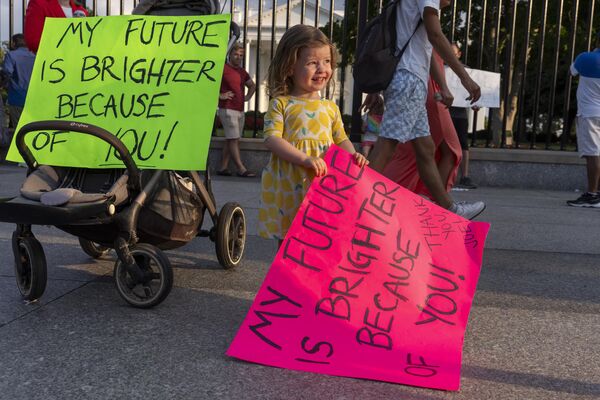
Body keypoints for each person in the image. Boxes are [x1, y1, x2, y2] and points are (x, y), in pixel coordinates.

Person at [366, 0, 485, 220]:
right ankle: (355, 205)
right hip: (409, 81)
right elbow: (436, 35)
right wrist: (465, 78)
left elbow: (426, 51)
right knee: (387, 146)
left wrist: (444, 87)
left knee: (425, 148)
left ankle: (448, 209)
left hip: (410, 81)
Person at [257, 25, 368, 243]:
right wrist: (304, 159)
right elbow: (272, 139)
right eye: (312, 62)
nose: (322, 68)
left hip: (322, 183)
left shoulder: (330, 108)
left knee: (320, 237)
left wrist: (353, 157)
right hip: (290, 183)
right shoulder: (281, 104)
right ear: (290, 67)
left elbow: (341, 139)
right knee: (288, 239)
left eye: (327, 61)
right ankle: (286, 276)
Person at [382, 49, 462, 196]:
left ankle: (439, 206)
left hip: (418, 81)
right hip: (421, 83)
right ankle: (362, 198)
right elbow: (433, 39)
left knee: (422, 150)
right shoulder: (425, 28)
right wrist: (462, 81)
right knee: (399, 150)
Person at [567, 33, 600, 208]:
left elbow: (572, 72)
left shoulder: (585, 58)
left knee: (593, 154)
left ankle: (592, 195)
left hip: (590, 113)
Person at [217, 42, 257, 177]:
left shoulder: (241, 71)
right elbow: (208, 86)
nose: (238, 57)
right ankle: (241, 168)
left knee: (232, 139)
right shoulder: (222, 68)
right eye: (236, 54)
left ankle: (223, 167)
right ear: (230, 54)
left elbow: (252, 85)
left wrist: (247, 97)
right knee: (233, 139)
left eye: (241, 55)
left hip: (239, 109)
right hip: (227, 109)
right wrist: (220, 96)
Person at [449, 43, 477, 190]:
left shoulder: (467, 71)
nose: (452, 55)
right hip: (444, 112)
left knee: (463, 144)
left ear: (459, 54)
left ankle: (464, 176)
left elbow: (473, 92)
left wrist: (477, 103)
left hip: (460, 114)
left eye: (454, 52)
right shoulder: (441, 69)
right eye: (449, 52)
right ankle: (446, 177)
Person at [1, 34, 36, 130]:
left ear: (14, 43)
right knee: (33, 128)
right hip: (34, 98)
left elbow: (6, 72)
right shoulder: (35, 55)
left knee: (19, 131)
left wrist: (4, 84)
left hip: (17, 98)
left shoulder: (11, 55)